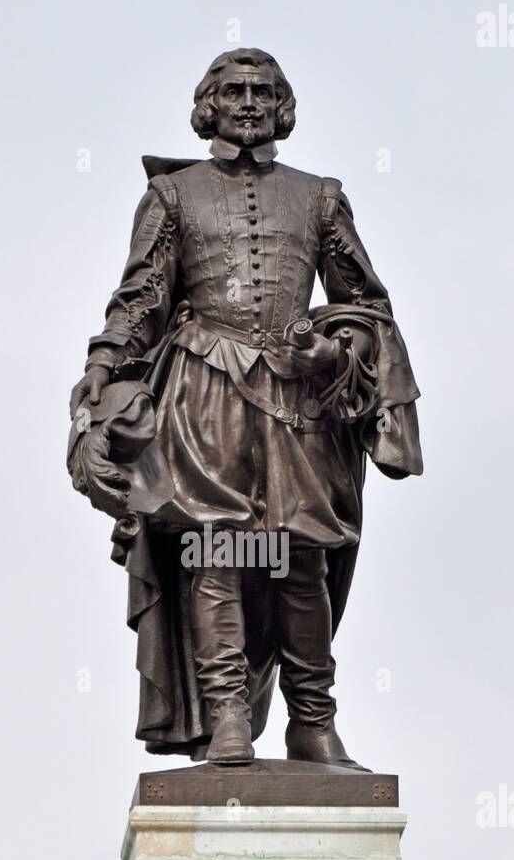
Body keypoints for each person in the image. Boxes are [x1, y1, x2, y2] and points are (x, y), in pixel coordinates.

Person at [68, 48, 422, 767]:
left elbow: (365, 304)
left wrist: (339, 348)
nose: (250, 102)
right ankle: (228, 715)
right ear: (208, 105)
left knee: (299, 561)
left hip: (297, 399)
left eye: (264, 91)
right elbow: (141, 298)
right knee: (217, 554)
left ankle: (312, 722)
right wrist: (101, 367)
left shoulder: (318, 195)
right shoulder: (173, 195)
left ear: (282, 106)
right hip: (204, 390)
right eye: (233, 91)